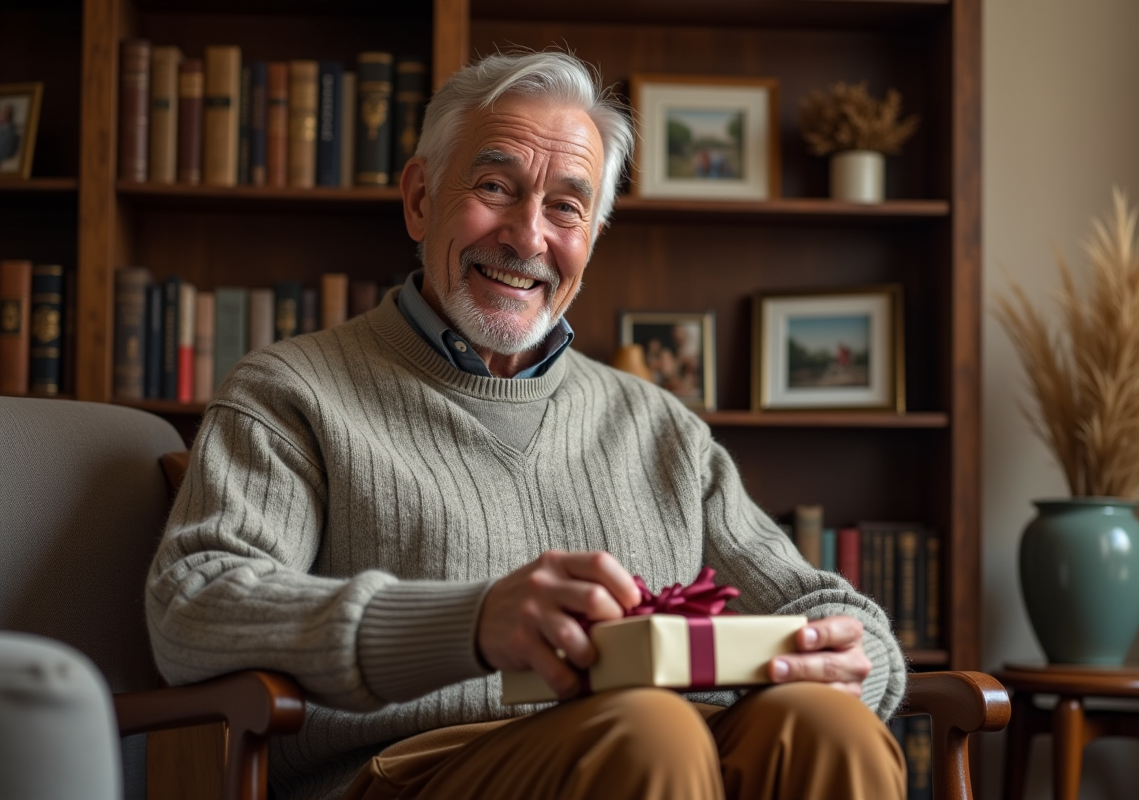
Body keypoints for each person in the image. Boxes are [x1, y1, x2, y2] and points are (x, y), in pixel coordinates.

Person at [146, 50, 907, 800]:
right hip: (412, 769)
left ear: (594, 235)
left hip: (664, 758)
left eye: (567, 206)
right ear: (419, 198)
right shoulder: (291, 391)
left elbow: (818, 604)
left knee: (825, 722)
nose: (528, 236)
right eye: (494, 187)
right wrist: (471, 623)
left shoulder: (660, 426)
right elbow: (195, 604)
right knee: (648, 729)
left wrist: (847, 657)